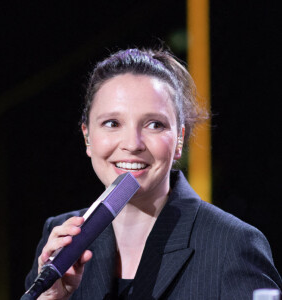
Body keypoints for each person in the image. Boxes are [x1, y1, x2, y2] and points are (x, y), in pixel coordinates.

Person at [25, 48, 282, 299]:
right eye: (112, 123)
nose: (133, 143)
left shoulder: (231, 244)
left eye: (154, 124)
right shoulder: (61, 240)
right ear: (87, 137)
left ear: (179, 140)